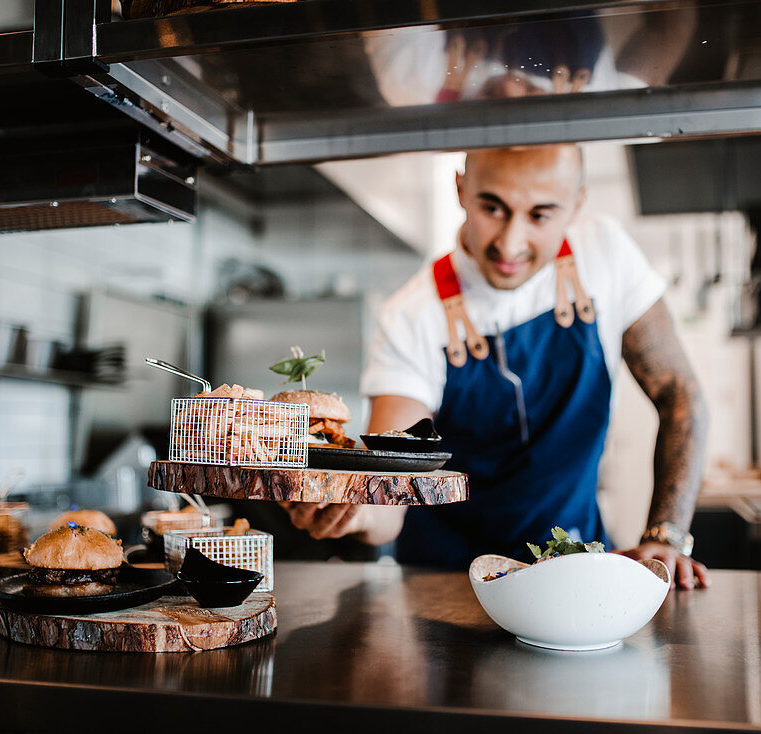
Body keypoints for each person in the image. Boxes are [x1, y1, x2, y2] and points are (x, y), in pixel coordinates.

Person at [284, 144, 709, 589]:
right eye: (492, 207)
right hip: (446, 589)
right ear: (460, 188)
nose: (510, 243)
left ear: (577, 204)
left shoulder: (604, 255)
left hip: (577, 574)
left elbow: (680, 394)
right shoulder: (412, 315)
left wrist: (666, 535)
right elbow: (393, 492)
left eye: (541, 215)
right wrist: (349, 511)